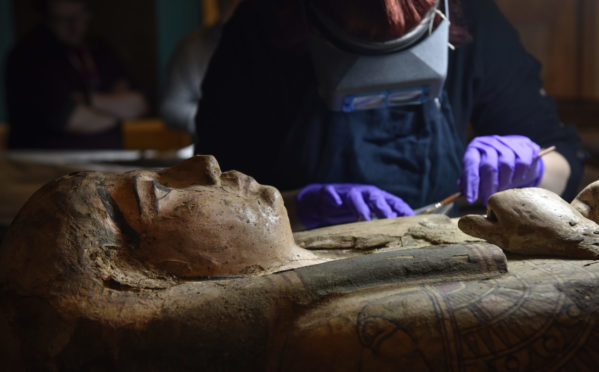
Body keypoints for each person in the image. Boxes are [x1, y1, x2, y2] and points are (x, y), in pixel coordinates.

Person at [195, 0, 587, 230]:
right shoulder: (260, 31)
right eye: (365, 33)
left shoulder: (473, 17)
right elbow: (208, 201)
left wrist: (530, 170)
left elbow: (564, 163)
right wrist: (295, 206)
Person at [5, 0, 148, 149]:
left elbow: (137, 104)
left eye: (81, 16)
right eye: (64, 20)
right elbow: (70, 118)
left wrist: (85, 100)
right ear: (46, 19)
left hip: (106, 157)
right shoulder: (29, 55)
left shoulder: (99, 49)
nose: (76, 27)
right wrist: (118, 111)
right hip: (45, 161)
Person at [160, 0, 242, 134]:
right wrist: (216, 120)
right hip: (210, 145)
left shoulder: (274, 47)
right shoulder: (192, 48)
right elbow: (171, 107)